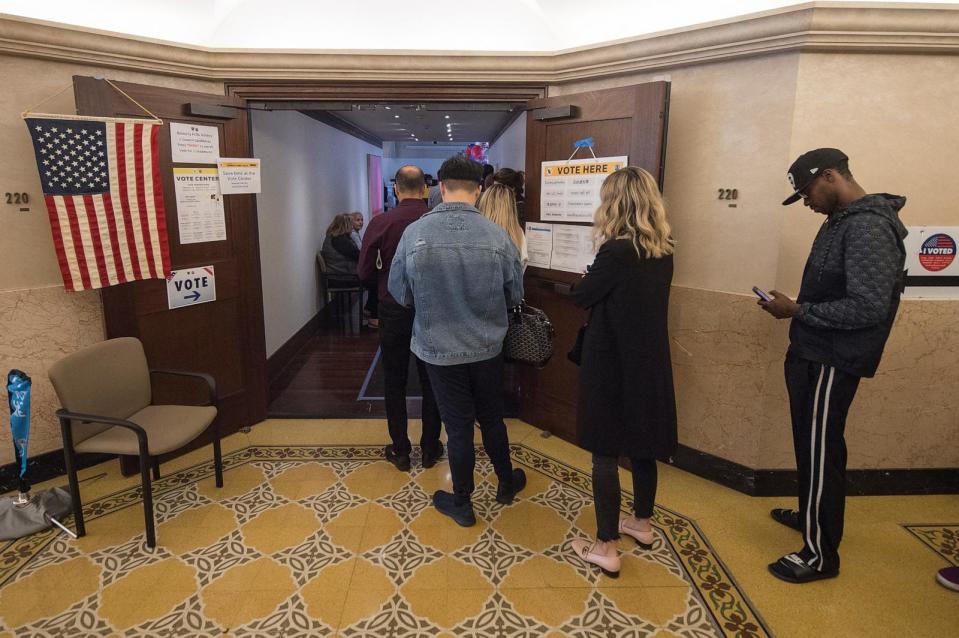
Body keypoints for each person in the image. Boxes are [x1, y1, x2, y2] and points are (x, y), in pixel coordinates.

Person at [760, 148, 907, 584]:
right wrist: (798, 312)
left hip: (832, 359)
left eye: (808, 192)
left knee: (823, 450)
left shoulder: (868, 227)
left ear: (830, 176)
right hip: (812, 351)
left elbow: (869, 308)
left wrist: (797, 311)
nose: (806, 201)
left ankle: (821, 554)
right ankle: (812, 516)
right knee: (811, 445)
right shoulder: (840, 220)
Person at [389, 154, 526, 527]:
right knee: (492, 419)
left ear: (441, 188)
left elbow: (399, 291)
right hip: (487, 347)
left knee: (459, 425)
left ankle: (463, 502)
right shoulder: (498, 236)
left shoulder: (415, 234)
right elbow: (514, 294)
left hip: (437, 348)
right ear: (479, 190)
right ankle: (506, 483)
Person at [568, 166, 677, 578]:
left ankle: (606, 546)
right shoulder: (664, 249)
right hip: (650, 362)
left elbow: (584, 295)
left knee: (605, 450)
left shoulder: (615, 251)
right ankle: (642, 524)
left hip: (612, 363)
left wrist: (585, 278)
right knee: (644, 445)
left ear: (614, 203)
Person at [358, 166, 444, 471]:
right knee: (432, 377)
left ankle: (401, 449)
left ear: (396, 188)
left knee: (393, 378)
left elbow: (365, 271)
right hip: (432, 309)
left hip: (393, 307)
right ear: (424, 189)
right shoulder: (438, 223)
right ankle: (431, 448)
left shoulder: (382, 222)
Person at [477, 183, 528, 272]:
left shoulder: (475, 232)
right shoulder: (518, 234)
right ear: (511, 207)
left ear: (484, 203)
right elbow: (521, 271)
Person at [349, 211, 378, 326]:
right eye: (357, 220)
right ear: (350, 222)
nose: (361, 222)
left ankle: (368, 308)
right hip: (353, 272)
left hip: (355, 269)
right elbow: (362, 251)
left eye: (361, 220)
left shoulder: (355, 234)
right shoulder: (353, 235)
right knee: (375, 281)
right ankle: (373, 314)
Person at [320, 213, 360, 286]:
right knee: (372, 279)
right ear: (346, 226)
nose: (352, 228)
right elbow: (357, 255)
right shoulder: (340, 240)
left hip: (335, 274)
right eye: (351, 225)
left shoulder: (332, 236)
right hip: (341, 277)